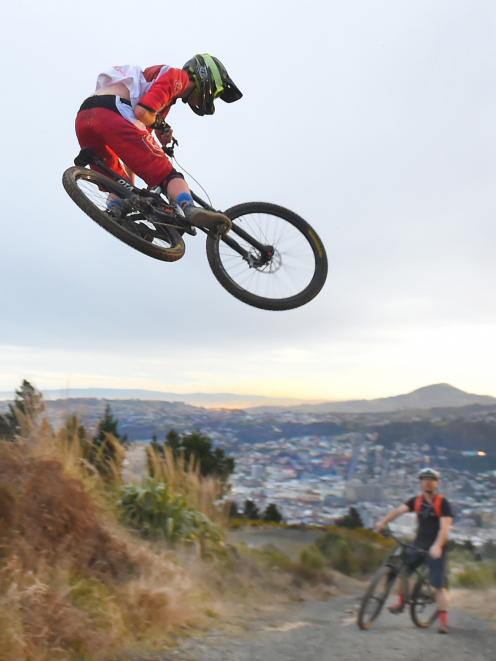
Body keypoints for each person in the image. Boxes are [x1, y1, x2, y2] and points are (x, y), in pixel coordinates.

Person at [75, 54, 242, 232]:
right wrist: (160, 125)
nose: (212, 100)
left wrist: (129, 188)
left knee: (117, 184)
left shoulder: (157, 90)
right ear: (207, 78)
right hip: (112, 111)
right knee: (169, 176)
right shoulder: (178, 77)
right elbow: (142, 113)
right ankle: (190, 208)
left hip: (84, 117)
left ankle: (117, 215)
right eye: (215, 95)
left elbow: (134, 147)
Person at [375, 468, 454, 634]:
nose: (428, 482)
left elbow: (444, 529)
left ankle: (443, 621)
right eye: (424, 479)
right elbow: (398, 511)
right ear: (420, 482)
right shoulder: (416, 501)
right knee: (402, 571)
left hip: (436, 548)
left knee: (437, 587)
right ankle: (401, 601)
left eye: (431, 479)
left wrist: (438, 546)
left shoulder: (442, 503)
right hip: (418, 545)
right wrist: (382, 522)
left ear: (437, 483)